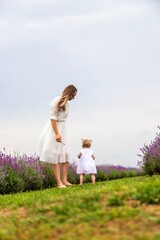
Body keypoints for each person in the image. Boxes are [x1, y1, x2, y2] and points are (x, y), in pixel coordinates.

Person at [36, 85, 77, 188]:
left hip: (64, 128)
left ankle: (65, 180)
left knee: (65, 155)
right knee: (55, 156)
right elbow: (53, 118)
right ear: (69, 92)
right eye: (73, 95)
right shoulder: (56, 100)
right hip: (55, 128)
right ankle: (59, 183)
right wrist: (56, 133)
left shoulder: (67, 104)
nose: (74, 97)